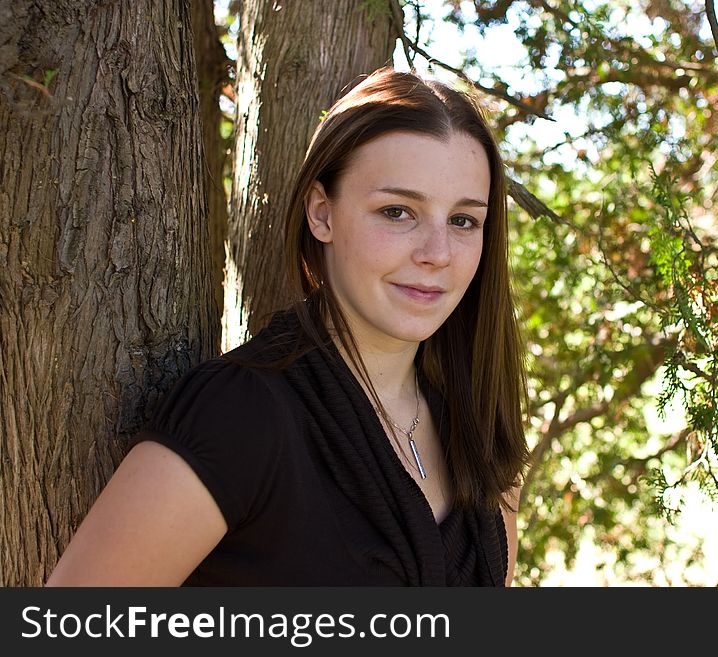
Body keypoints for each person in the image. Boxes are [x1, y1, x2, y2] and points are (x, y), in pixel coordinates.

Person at [46, 67, 529, 587]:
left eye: (463, 221)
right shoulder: (240, 413)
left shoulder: (477, 424)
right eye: (397, 212)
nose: (437, 254)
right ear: (321, 213)